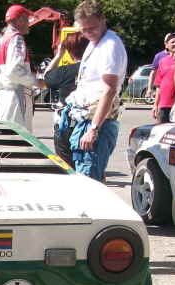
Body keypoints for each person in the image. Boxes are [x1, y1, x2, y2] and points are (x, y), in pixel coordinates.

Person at [66, 0, 127, 181]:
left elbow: (109, 90)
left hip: (98, 122)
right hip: (86, 117)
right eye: (84, 29)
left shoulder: (110, 45)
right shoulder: (95, 42)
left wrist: (93, 129)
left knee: (89, 181)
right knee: (85, 176)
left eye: (91, 28)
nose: (88, 33)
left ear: (103, 19)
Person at [0, 5, 38, 129]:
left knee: (8, 140)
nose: (29, 23)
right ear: (20, 20)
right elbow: (14, 72)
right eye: (27, 19)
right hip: (17, 95)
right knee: (22, 141)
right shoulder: (17, 39)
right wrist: (35, 82)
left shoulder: (0, 41)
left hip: (2, 96)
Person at [44, 31, 89, 165]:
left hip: (67, 124)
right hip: (90, 123)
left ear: (69, 51)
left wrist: (59, 55)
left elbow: (46, 77)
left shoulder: (66, 71)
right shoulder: (97, 69)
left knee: (67, 166)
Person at [152, 33, 175, 124]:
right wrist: (155, 105)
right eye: (172, 42)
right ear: (167, 45)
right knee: (162, 132)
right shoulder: (162, 61)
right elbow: (158, 85)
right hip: (164, 104)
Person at [147, 33, 175, 99]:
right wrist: (149, 88)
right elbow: (153, 73)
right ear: (166, 43)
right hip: (162, 90)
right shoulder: (159, 56)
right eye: (172, 41)